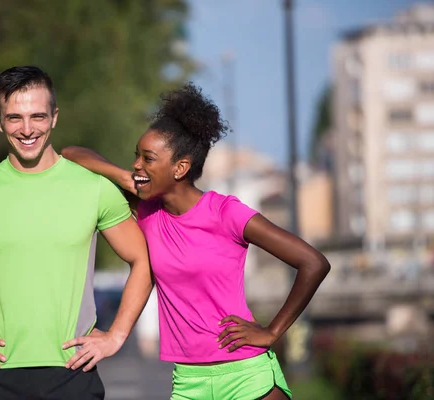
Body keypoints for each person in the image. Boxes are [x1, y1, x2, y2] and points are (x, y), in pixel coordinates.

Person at [61, 83, 331, 400]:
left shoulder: (226, 213)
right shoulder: (148, 211)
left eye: (148, 159)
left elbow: (313, 263)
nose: (137, 165)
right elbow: (71, 154)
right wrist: (124, 177)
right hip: (189, 381)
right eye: (137, 156)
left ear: (180, 168)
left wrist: (272, 332)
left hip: (246, 376)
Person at [0, 66, 153, 400]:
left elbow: (144, 259)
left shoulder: (94, 190)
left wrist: (116, 335)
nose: (27, 129)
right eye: (14, 118)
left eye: (37, 116)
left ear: (54, 117)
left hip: (72, 375)